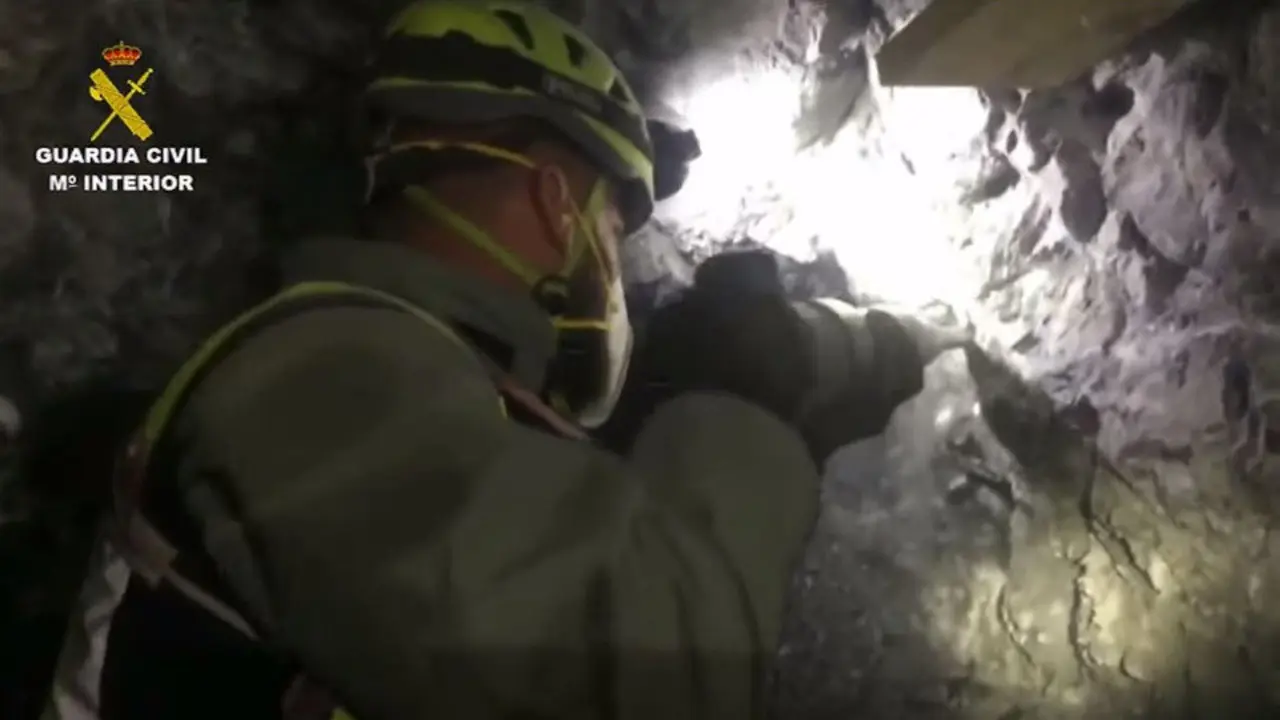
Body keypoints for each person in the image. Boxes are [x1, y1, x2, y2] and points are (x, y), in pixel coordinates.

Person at [41, 2, 956, 719]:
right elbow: (649, 681)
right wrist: (735, 403)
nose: (616, 263)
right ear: (557, 202)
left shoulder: (419, 392)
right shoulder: (314, 376)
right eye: (614, 226)